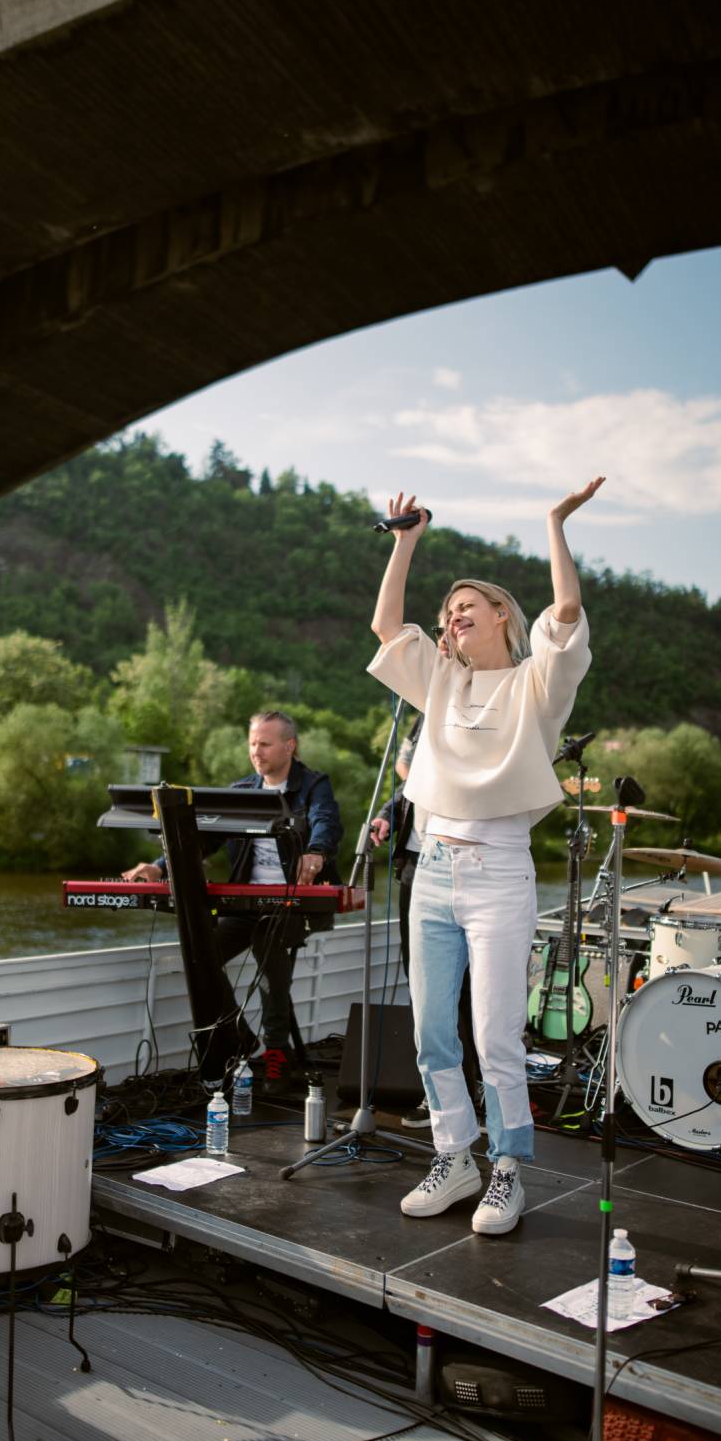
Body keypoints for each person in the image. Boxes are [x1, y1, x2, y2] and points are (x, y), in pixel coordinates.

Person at [367, 479, 602, 1235]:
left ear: (501, 613)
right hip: (431, 868)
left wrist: (554, 522)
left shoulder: (536, 684)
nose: (453, 616)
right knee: (432, 1031)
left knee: (495, 1033)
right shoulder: (440, 682)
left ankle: (507, 1168)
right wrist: (406, 542)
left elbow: (564, 613)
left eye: (467, 605)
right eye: (447, 613)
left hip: (499, 871)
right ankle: (454, 1155)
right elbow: (383, 624)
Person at [123, 711, 343, 1092]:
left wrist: (317, 852)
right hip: (247, 905)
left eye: (264, 743)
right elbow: (203, 840)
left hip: (294, 905)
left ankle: (276, 1057)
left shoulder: (313, 785)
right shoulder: (241, 792)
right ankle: (242, 1038)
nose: (256, 752)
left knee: (269, 957)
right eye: (252, 743)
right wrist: (160, 867)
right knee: (203, 956)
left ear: (289, 746)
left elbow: (327, 821)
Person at [370, 718, 480, 1127]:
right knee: (422, 985)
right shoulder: (424, 710)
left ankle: (471, 1093)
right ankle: (439, 1098)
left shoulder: (477, 706)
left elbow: (425, 770)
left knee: (465, 987)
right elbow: (408, 780)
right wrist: (386, 813)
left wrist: (416, 768)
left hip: (460, 860)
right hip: (415, 866)